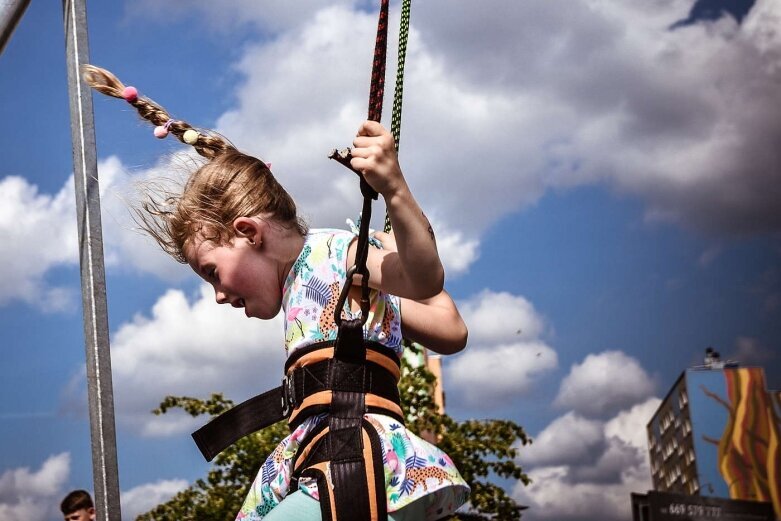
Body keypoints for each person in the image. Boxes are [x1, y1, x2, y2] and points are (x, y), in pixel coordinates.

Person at [83, 65, 470, 520]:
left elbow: (429, 288)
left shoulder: (337, 254)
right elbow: (448, 330)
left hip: (361, 463)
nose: (219, 296)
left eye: (213, 272)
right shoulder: (310, 289)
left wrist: (396, 193)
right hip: (322, 462)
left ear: (247, 232)